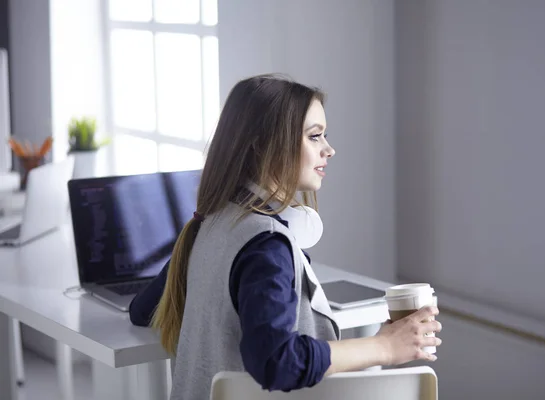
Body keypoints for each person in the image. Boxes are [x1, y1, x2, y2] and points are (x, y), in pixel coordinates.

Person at [131, 74, 442, 398]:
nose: (329, 149)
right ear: (263, 146)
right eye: (315, 136)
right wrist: (384, 348)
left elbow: (142, 311)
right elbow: (276, 361)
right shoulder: (266, 248)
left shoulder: (209, 225)